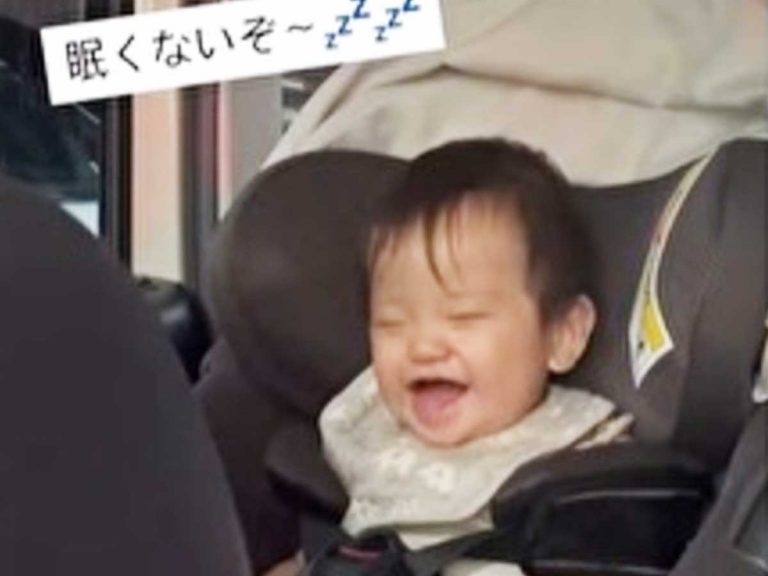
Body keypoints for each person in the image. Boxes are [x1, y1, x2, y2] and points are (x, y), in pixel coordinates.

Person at [267, 138, 630, 576]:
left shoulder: (579, 471)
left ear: (562, 335)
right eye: (392, 322)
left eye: (463, 317)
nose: (423, 347)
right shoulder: (368, 434)